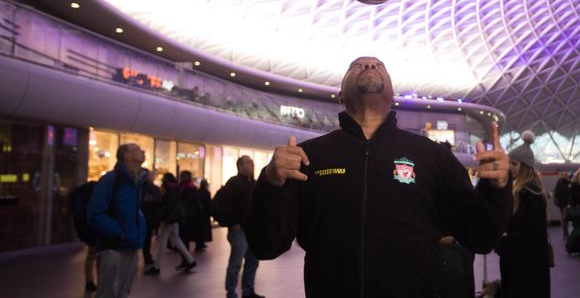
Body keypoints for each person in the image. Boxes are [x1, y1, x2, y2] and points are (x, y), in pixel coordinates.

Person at [245, 56, 512, 297]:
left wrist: (497, 189)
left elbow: (480, 237)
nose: (369, 66)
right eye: (357, 66)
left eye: (378, 65)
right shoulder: (308, 156)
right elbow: (266, 246)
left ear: (393, 94)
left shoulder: (431, 156)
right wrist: (270, 183)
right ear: (340, 94)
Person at [86, 143, 147, 298]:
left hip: (130, 245)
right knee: (108, 292)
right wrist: (118, 232)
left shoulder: (136, 182)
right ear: (127, 155)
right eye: (138, 150)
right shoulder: (111, 180)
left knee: (123, 291)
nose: (143, 152)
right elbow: (95, 213)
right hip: (114, 246)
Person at [496, 131, 550, 298]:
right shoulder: (526, 190)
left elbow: (529, 231)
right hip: (522, 259)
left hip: (525, 261)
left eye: (514, 164)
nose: (510, 167)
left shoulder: (529, 192)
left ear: (525, 166)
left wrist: (502, 242)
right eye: (509, 163)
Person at [219, 156, 265, 298]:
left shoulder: (255, 184)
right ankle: (231, 293)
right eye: (247, 162)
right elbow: (224, 205)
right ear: (239, 166)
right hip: (239, 231)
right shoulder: (234, 182)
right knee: (235, 264)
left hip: (253, 231)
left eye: (251, 161)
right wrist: (233, 223)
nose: (251, 163)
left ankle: (248, 291)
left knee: (252, 263)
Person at [144, 173, 196, 275]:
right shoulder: (177, 188)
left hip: (168, 219)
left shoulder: (171, 190)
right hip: (173, 218)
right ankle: (190, 260)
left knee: (163, 242)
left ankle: (157, 266)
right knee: (175, 239)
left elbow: (167, 205)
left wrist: (160, 215)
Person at [140, 170, 162, 271]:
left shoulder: (139, 187)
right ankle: (147, 257)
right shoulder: (150, 188)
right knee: (146, 238)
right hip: (148, 216)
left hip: (146, 216)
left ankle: (146, 256)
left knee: (146, 238)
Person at [178, 170, 203, 252]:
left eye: (184, 176)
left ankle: (186, 253)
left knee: (186, 234)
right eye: (181, 176)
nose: (182, 177)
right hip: (185, 213)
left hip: (189, 214)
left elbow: (190, 201)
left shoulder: (190, 188)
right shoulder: (182, 187)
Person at [196, 178, 213, 252]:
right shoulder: (206, 192)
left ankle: (200, 243)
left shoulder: (198, 191)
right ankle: (200, 244)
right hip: (204, 213)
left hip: (200, 213)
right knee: (202, 229)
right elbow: (208, 203)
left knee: (200, 229)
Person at [553, 170, 570, 239]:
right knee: (565, 219)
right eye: (565, 175)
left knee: (566, 219)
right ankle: (566, 234)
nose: (566, 176)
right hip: (563, 204)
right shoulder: (560, 183)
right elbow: (559, 193)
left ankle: (566, 233)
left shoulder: (567, 182)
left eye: (567, 174)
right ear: (562, 175)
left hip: (567, 203)